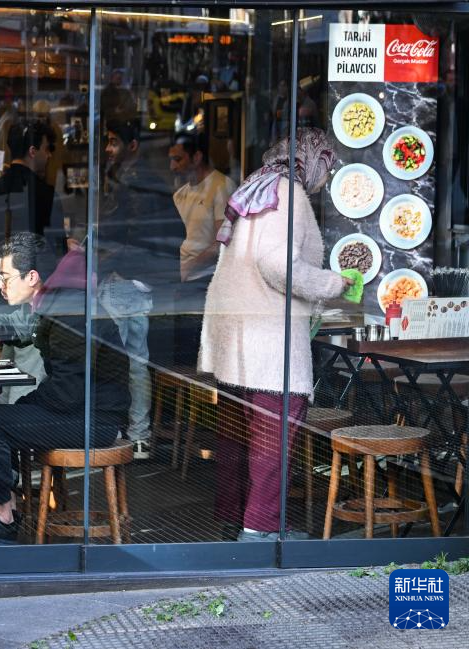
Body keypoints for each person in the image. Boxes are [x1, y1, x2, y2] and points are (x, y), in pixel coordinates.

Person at [198, 128, 353, 542]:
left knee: (237, 435)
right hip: (268, 338)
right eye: (327, 164)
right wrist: (332, 283)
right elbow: (278, 266)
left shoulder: (256, 186)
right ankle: (260, 528)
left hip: (234, 333)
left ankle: (235, 517)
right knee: (273, 437)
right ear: (312, 160)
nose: (327, 175)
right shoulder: (290, 195)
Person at [0, 232, 129, 541]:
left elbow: (66, 395)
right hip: (82, 410)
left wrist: (25, 405)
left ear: (31, 277)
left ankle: (3, 517)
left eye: (5, 277)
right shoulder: (54, 299)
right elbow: (20, 325)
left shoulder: (68, 311)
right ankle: (5, 507)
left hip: (96, 421)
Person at [98, 118, 185, 457]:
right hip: (145, 281)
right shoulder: (150, 180)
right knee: (136, 361)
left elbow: (122, 235)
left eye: (113, 141)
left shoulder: (129, 181)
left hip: (125, 279)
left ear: (132, 145)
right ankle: (139, 435)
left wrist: (101, 266)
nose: (108, 148)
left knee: (113, 362)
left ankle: (114, 430)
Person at [168, 134, 237, 362]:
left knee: (201, 356)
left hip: (206, 281)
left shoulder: (221, 186)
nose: (172, 166)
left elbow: (222, 242)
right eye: (171, 160)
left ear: (197, 157)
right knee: (181, 354)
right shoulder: (180, 194)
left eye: (178, 159)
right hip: (183, 281)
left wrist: (189, 268)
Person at [0, 117, 58, 238]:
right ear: (33, 151)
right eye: (47, 149)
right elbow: (53, 242)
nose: (49, 155)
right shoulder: (46, 193)